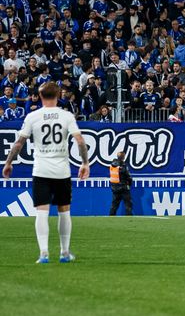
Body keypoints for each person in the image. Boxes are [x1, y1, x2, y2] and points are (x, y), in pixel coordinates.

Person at [2, 83, 91, 263]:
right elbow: (80, 141)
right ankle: (64, 253)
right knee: (64, 211)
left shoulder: (33, 116)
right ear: (58, 95)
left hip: (41, 170)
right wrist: (85, 163)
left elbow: (19, 143)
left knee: (41, 212)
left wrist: (8, 162)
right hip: (62, 171)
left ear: (41, 96)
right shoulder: (66, 116)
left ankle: (43, 253)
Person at [109, 150, 133, 216]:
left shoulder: (112, 165)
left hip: (114, 187)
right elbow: (127, 176)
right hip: (123, 187)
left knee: (114, 204)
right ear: (123, 157)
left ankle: (111, 217)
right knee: (128, 204)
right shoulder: (123, 165)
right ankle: (129, 217)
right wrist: (130, 183)